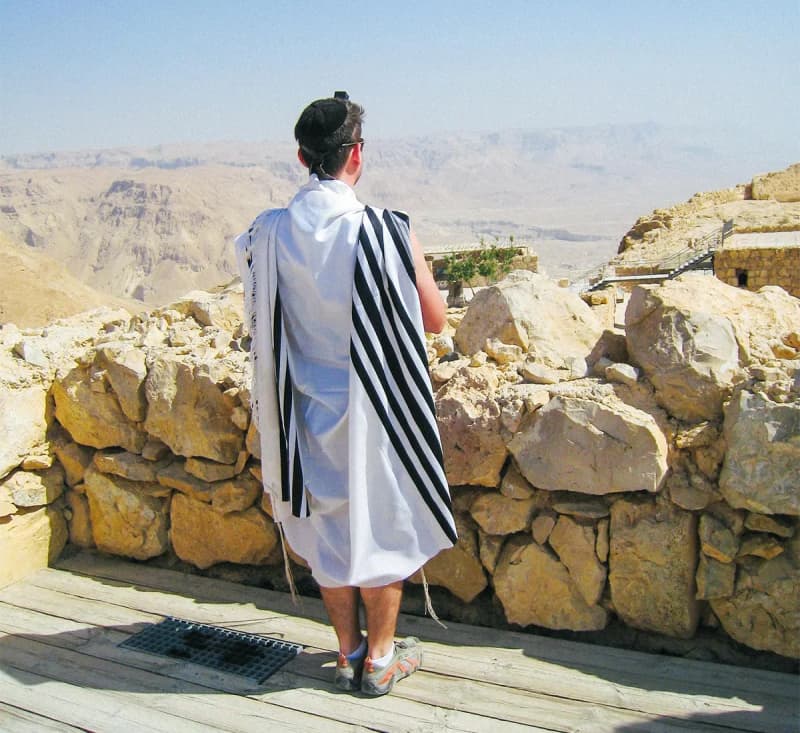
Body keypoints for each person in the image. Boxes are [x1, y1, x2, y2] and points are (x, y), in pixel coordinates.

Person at [235, 92, 456, 696]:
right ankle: (381, 660)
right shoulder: (386, 231)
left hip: (303, 412)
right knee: (381, 527)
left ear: (301, 156)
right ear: (356, 154)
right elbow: (434, 319)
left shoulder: (267, 233)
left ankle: (347, 651)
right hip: (376, 412)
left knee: (329, 532)